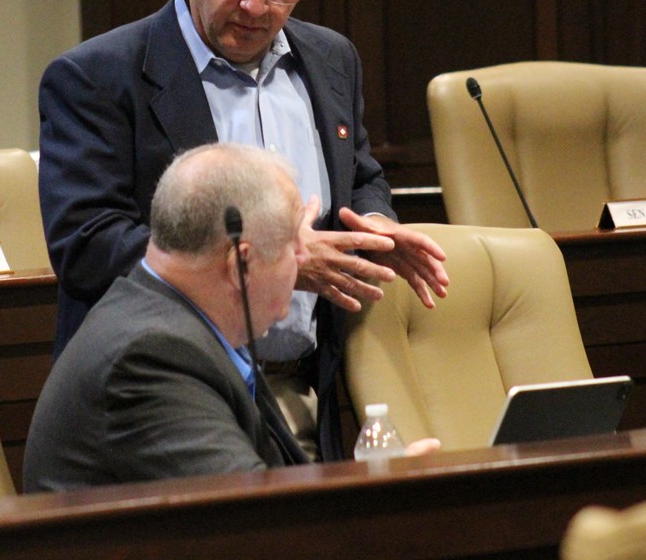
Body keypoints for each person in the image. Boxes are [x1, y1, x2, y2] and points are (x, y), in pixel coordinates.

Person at [38, 0, 449, 460]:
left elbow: (361, 177)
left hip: (312, 391)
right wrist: (280, 261)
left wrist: (374, 225)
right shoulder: (98, 77)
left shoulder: (332, 59)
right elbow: (88, 247)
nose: (258, 5)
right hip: (165, 393)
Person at [24, 143, 439, 490]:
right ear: (240, 263)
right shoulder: (151, 358)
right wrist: (377, 499)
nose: (304, 257)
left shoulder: (174, 323)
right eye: (293, 243)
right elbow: (256, 525)